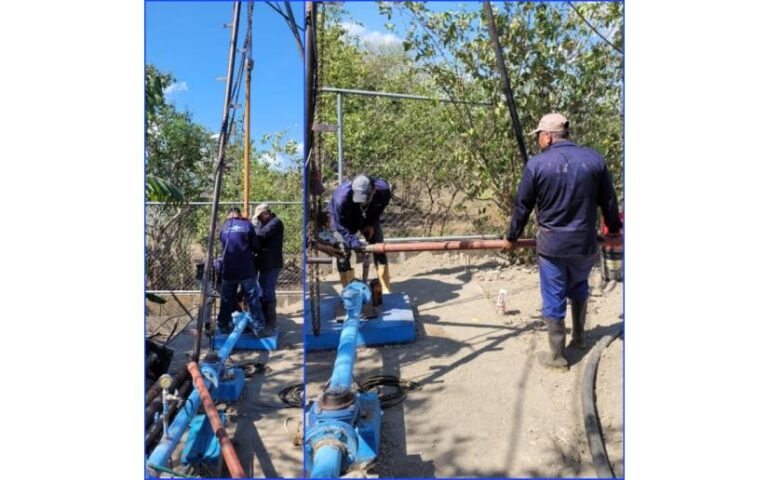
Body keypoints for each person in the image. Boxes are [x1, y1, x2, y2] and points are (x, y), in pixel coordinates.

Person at [506, 113, 622, 370]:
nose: (538, 141)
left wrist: (511, 236)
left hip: (552, 246)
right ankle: (579, 338)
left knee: (554, 295)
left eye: (539, 136)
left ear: (547, 136)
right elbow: (609, 202)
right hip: (585, 244)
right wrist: (614, 228)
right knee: (579, 286)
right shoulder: (594, 160)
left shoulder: (537, 164)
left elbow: (522, 207)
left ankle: (557, 356)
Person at [328, 174, 393, 292]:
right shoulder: (341, 198)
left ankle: (385, 287)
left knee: (378, 245)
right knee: (342, 251)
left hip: (367, 215)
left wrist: (371, 223)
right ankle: (350, 290)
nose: (362, 202)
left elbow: (379, 209)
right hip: (344, 220)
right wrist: (353, 242)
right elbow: (339, 226)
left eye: (366, 198)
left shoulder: (383, 191)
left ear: (374, 190)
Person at [217, 207, 265, 334]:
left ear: (228, 215)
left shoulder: (224, 227)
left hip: (228, 270)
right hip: (246, 270)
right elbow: (256, 245)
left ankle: (223, 325)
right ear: (239, 214)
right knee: (253, 299)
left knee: (226, 299)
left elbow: (223, 245)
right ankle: (259, 328)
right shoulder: (247, 225)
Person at [252, 203, 284, 336]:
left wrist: (253, 226)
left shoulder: (276, 223)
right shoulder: (265, 223)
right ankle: (266, 321)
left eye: (260, 217)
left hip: (272, 264)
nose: (259, 220)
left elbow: (261, 235)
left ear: (266, 214)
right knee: (262, 292)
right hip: (264, 264)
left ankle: (271, 323)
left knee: (268, 293)